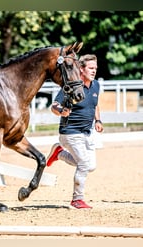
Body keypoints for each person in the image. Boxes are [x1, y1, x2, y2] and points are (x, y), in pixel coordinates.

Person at [46, 54, 104, 209]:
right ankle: (77, 199)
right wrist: (61, 111)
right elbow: (54, 106)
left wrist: (98, 120)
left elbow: (95, 104)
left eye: (95, 68)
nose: (94, 71)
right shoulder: (69, 86)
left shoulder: (96, 85)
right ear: (81, 69)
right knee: (84, 164)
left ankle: (59, 153)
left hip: (87, 132)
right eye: (91, 68)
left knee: (90, 166)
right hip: (69, 132)